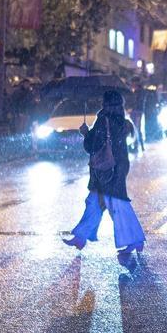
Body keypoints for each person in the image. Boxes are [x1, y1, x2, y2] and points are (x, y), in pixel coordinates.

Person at [63, 89, 146, 268]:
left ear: (105, 103)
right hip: (117, 167)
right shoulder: (121, 120)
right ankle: (81, 237)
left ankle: (134, 240)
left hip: (106, 170)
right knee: (95, 202)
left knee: (117, 206)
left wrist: (85, 133)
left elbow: (92, 146)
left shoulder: (103, 119)